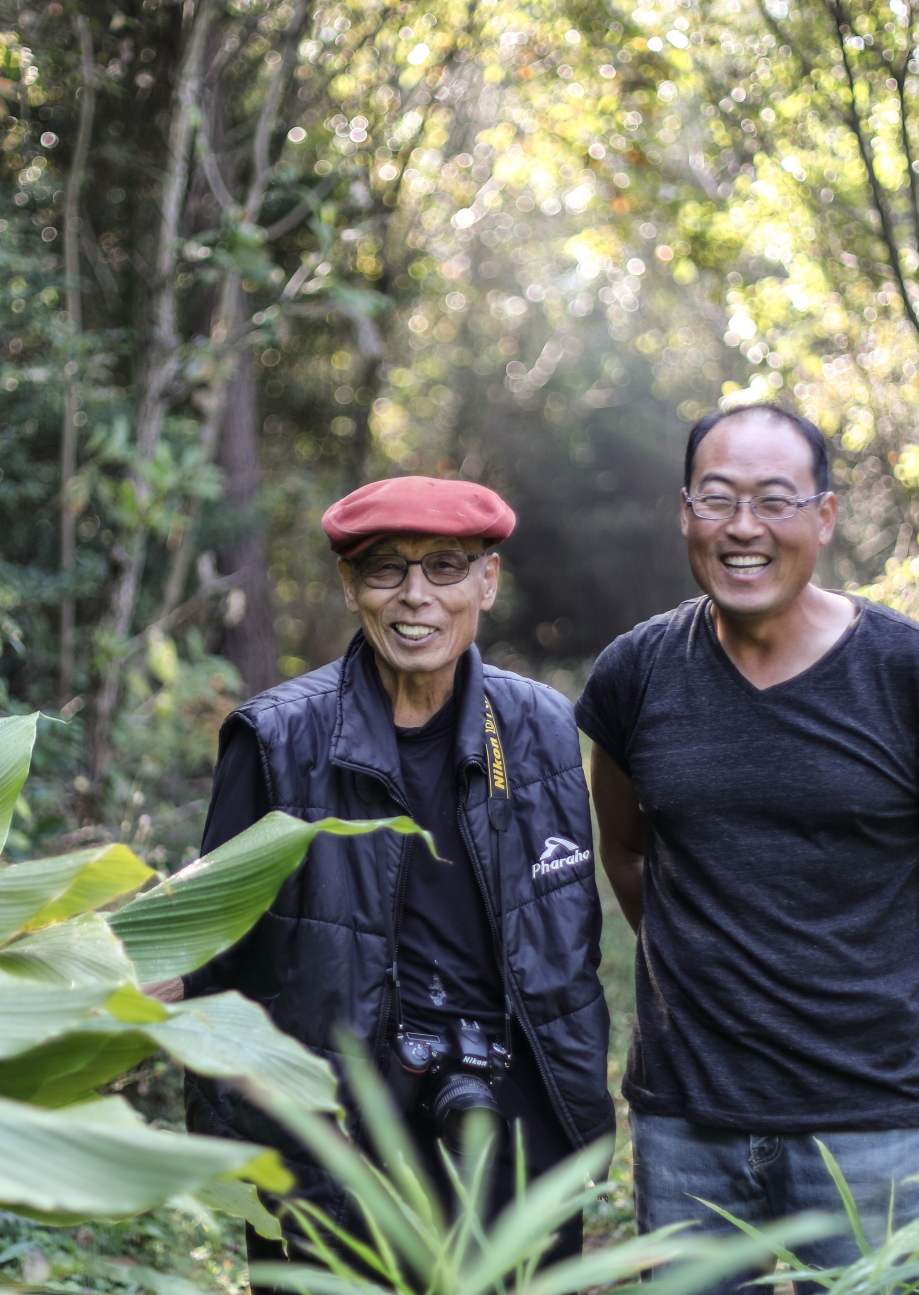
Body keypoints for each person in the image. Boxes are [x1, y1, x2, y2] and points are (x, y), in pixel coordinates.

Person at [575, 400, 919, 1289]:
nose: (745, 528)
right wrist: (685, 962)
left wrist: (902, 981)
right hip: (687, 1110)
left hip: (864, 1112)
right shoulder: (636, 672)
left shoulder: (915, 672)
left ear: (823, 515)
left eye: (775, 500)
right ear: (686, 513)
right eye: (718, 498)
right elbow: (622, 849)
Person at [173, 475, 614, 1270]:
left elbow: (566, 949)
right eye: (387, 569)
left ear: (488, 579)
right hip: (335, 1144)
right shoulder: (275, 741)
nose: (417, 597)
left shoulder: (542, 727)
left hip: (517, 1130)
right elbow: (202, 948)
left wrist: (576, 1131)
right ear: (349, 585)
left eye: (445, 566)